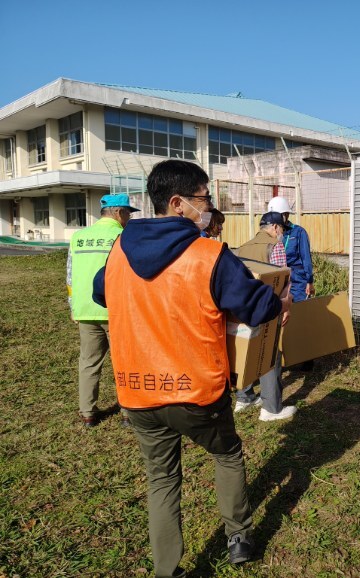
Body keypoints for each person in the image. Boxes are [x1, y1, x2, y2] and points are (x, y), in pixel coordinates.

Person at [93, 159, 290, 577]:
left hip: (137, 391)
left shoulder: (118, 250)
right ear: (179, 203)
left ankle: (167, 570)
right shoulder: (208, 254)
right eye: (205, 199)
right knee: (227, 453)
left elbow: (100, 293)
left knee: (161, 478)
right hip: (196, 389)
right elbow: (256, 305)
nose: (210, 207)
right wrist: (280, 302)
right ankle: (239, 536)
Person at [67, 193, 139, 427]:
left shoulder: (79, 237)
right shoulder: (123, 237)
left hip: (85, 310)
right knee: (124, 362)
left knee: (89, 362)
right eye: (128, 213)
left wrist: (73, 306)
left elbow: (70, 274)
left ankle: (87, 412)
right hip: (116, 311)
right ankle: (128, 412)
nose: (128, 218)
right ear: (119, 213)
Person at [233, 211, 296, 421]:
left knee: (246, 349)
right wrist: (285, 306)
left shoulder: (243, 246)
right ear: (276, 228)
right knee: (270, 352)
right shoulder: (275, 246)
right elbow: (282, 279)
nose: (281, 234)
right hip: (269, 306)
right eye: (282, 230)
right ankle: (271, 408)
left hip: (244, 308)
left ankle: (244, 397)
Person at [267, 196, 314, 304]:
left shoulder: (298, 232)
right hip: (277, 281)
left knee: (297, 314)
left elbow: (306, 258)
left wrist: (309, 281)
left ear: (285, 215)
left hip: (297, 283)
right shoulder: (270, 232)